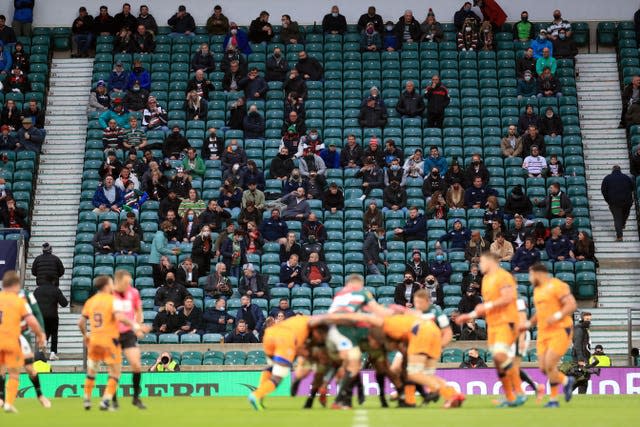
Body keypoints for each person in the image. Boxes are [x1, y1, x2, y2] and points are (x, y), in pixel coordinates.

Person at [455, 252, 525, 407]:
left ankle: (519, 393)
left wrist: (488, 306)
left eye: (482, 262)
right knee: (499, 362)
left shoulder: (504, 277)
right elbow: (484, 306)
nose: (480, 265)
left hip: (506, 322)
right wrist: (470, 315)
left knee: (501, 356)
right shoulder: (485, 279)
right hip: (492, 324)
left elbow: (508, 298)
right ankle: (510, 396)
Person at [79, 276, 135, 411]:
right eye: (111, 283)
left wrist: (85, 335)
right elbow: (120, 317)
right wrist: (135, 325)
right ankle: (105, 400)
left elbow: (80, 322)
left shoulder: (90, 301)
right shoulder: (113, 300)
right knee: (115, 372)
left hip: (94, 341)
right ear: (106, 285)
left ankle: (87, 399)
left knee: (92, 372)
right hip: (110, 341)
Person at [525, 263, 577, 407]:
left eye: (531, 274)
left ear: (539, 273)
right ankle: (566, 381)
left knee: (550, 364)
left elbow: (571, 304)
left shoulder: (557, 285)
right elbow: (540, 312)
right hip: (543, 332)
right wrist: (528, 324)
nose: (529, 278)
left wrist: (557, 315)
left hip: (560, 329)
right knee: (543, 368)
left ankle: (554, 400)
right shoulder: (537, 290)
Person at [0, 271, 46, 413]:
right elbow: (32, 318)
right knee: (15, 372)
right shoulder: (19, 300)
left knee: (26, 368)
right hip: (15, 338)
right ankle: (6, 401)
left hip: (19, 337)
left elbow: (37, 312)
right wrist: (41, 334)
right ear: (16, 284)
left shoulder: (26, 294)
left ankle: (39, 395)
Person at [112, 270, 149, 409]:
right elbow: (118, 316)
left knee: (136, 365)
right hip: (113, 334)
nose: (128, 284)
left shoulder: (133, 292)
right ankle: (114, 399)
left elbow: (138, 311)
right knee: (115, 368)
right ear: (118, 281)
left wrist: (138, 326)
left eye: (129, 282)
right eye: (126, 282)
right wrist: (136, 327)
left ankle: (135, 398)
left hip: (128, 334)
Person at [33, 281, 68, 362]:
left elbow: (32, 303)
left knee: (43, 333)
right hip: (53, 315)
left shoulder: (37, 290)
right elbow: (64, 303)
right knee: (54, 333)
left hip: (40, 316)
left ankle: (41, 350)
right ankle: (53, 353)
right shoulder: (56, 290)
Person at [601, 165, 634, 241]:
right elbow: (632, 188)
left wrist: (608, 200)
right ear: (620, 170)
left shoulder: (607, 178)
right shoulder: (627, 177)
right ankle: (622, 224)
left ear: (612, 170)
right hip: (627, 201)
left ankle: (620, 236)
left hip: (614, 202)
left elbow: (603, 191)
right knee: (625, 215)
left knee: (617, 218)